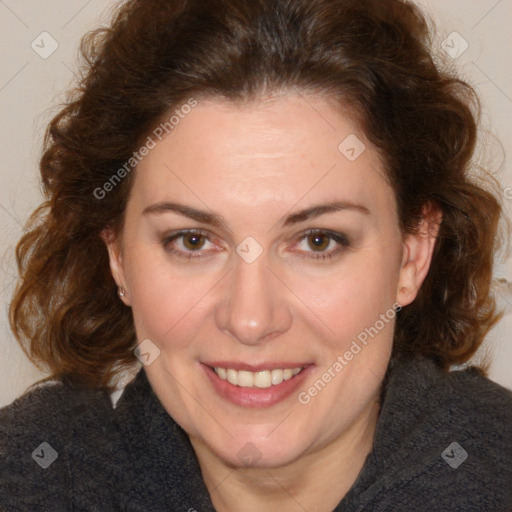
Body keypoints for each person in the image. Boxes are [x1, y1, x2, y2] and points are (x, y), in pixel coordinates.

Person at [1, 0, 511, 510]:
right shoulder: (27, 476)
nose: (250, 319)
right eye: (192, 241)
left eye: (318, 241)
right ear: (117, 256)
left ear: (412, 255)